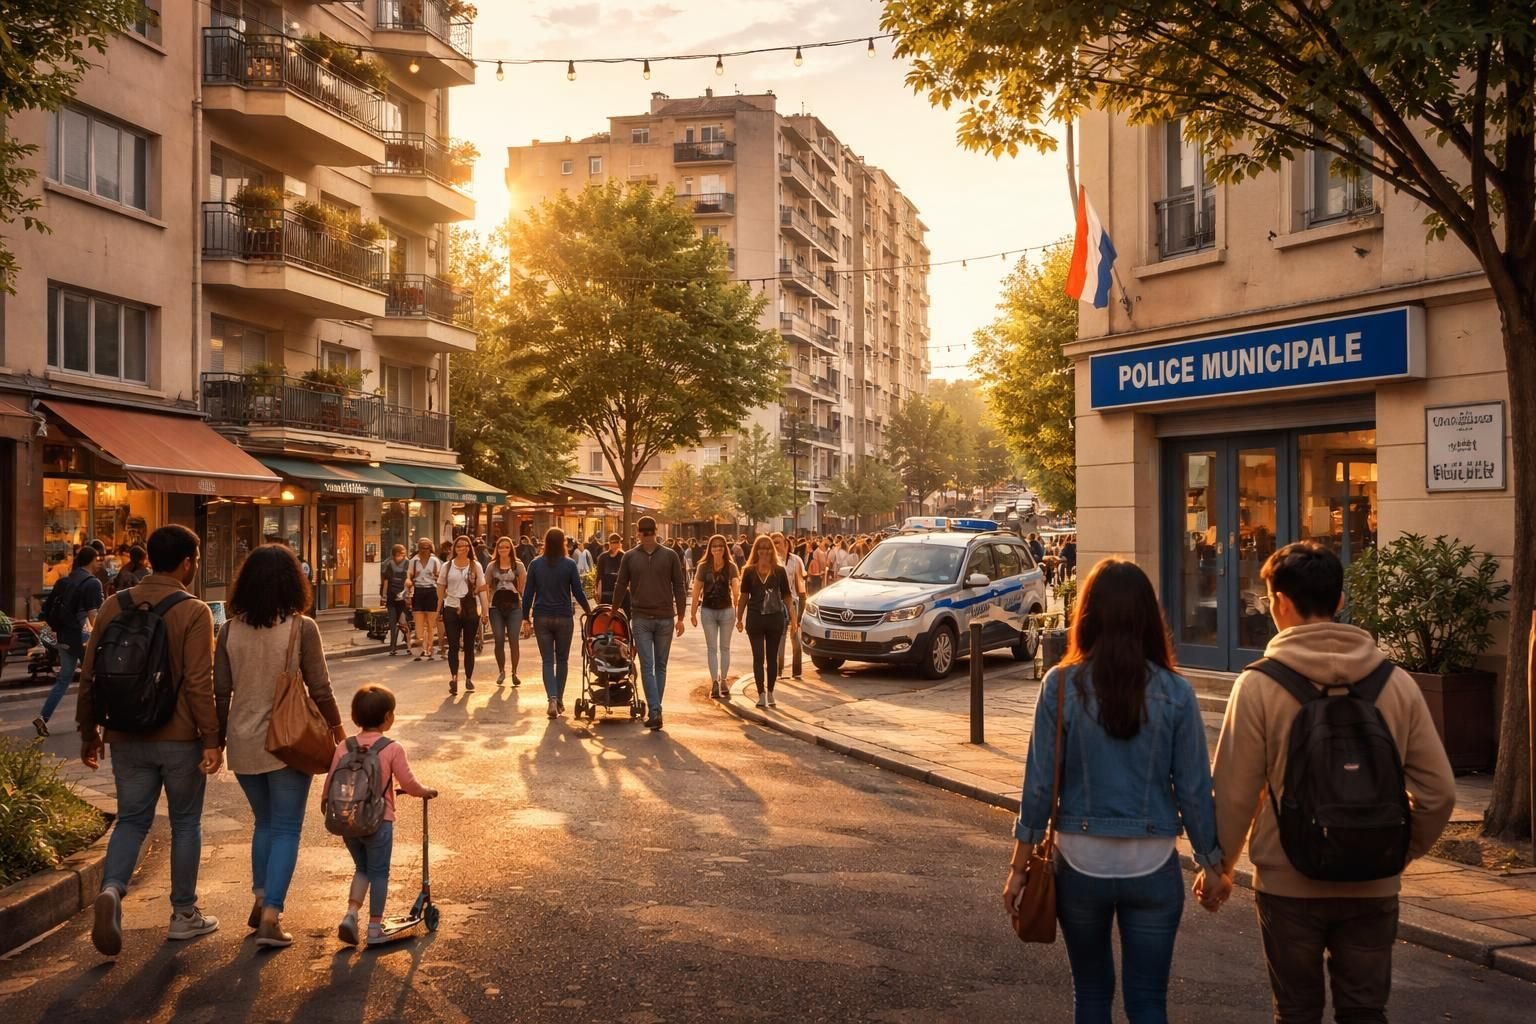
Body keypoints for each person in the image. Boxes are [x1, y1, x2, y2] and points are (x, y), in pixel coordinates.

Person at [1203, 542, 1455, 1024]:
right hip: (1374, 880)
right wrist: (1399, 848)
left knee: (1296, 1011)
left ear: (1279, 602)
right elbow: (1439, 792)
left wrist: (1221, 868)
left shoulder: (1258, 684)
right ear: (1340, 602)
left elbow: (1235, 791)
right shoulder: (1394, 682)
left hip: (1288, 880)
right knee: (1365, 1011)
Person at [1005, 558, 1221, 1023]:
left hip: (1080, 861)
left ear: (1088, 614)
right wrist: (1212, 862)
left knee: (1092, 994)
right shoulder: (1176, 692)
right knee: (1148, 1002)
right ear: (1148, 617)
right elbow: (1194, 789)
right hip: (1153, 860)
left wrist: (1020, 867)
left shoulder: (1060, 686)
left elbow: (1039, 785)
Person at [76, 525, 221, 956]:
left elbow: (90, 675)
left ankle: (113, 890)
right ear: (188, 562)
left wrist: (90, 732)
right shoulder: (193, 611)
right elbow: (200, 682)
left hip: (124, 733)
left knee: (132, 820)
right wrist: (211, 737)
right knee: (185, 823)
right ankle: (183, 914)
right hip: (179, 738)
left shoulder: (112, 604)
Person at [215, 544, 345, 949]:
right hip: (289, 740)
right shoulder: (301, 627)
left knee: (264, 824)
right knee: (287, 827)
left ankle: (259, 899)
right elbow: (320, 688)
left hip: (242, 740)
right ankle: (272, 914)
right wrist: (339, 732)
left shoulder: (228, 629)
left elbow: (221, 692)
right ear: (294, 581)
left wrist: (215, 741)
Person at [332, 684, 437, 947]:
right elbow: (409, 783)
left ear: (355, 717)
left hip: (348, 821)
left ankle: (351, 914)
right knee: (379, 872)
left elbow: (331, 782)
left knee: (362, 868)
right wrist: (425, 792)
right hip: (379, 821)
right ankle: (375, 927)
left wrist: (330, 808)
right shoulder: (391, 748)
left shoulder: (345, 746)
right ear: (388, 717)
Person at [613, 516, 688, 731]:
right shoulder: (635, 557)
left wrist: (681, 616)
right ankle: (656, 709)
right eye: (644, 533)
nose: (646, 536)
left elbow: (679, 587)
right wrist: (614, 609)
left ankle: (655, 709)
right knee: (652, 666)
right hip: (646, 617)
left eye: (647, 532)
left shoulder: (665, 556)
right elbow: (620, 585)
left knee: (655, 666)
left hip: (658, 617)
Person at [34, 547, 106, 737]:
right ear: (90, 560)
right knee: (93, 679)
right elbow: (93, 618)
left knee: (64, 680)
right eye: (98, 559)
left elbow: (48, 609)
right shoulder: (92, 583)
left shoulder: (64, 580)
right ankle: (89, 722)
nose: (100, 562)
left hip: (63, 637)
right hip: (83, 639)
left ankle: (43, 717)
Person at [521, 527, 591, 719]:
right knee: (562, 660)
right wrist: (589, 612)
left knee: (547, 661)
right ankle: (559, 699)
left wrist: (525, 617)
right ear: (563, 543)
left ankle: (551, 698)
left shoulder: (535, 565)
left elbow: (528, 593)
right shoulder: (569, 565)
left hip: (542, 616)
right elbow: (578, 591)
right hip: (564, 616)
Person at [736, 535, 796, 709]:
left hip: (775, 618)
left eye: (767, 547)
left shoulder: (779, 571)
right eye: (761, 548)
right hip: (755, 619)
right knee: (758, 657)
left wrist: (793, 619)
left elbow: (787, 596)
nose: (764, 551)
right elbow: (744, 597)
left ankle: (770, 692)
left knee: (772, 658)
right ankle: (760, 693)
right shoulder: (748, 571)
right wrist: (739, 618)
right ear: (756, 550)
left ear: (772, 550)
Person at [690, 533, 740, 700]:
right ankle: (714, 682)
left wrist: (737, 606)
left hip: (727, 610)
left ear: (724, 548)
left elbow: (736, 588)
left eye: (720, 546)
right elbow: (696, 589)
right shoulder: (703, 567)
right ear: (709, 549)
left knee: (724, 648)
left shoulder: (731, 566)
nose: (717, 548)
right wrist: (692, 612)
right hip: (708, 611)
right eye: (714, 546)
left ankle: (724, 680)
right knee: (712, 648)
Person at [437, 535, 486, 695]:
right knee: (453, 645)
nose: (462, 549)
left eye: (465, 546)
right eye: (459, 546)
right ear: (454, 549)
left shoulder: (475, 566)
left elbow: (483, 588)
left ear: (469, 548)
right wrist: (438, 610)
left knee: (469, 645)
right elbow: (441, 589)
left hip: (471, 609)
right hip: (451, 607)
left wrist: (485, 610)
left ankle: (469, 678)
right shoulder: (447, 566)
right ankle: (454, 678)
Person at [485, 536, 526, 686]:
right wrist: (484, 607)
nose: (503, 550)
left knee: (514, 639)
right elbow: (486, 586)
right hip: (496, 606)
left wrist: (527, 611)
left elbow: (523, 588)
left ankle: (514, 672)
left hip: (514, 606)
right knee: (499, 638)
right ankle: (501, 670)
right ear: (497, 549)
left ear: (511, 549)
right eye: (500, 547)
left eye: (506, 547)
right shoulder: (491, 566)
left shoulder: (518, 566)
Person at [771, 532, 806, 679]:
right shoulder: (771, 561)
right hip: (776, 603)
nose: (775, 545)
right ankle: (778, 671)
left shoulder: (795, 560)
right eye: (773, 543)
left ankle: (796, 671)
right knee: (780, 637)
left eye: (778, 542)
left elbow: (800, 583)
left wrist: (803, 601)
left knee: (795, 638)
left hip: (793, 601)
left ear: (786, 544)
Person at [406, 538, 441, 661]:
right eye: (421, 548)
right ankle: (419, 649)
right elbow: (409, 576)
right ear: (418, 548)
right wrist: (409, 582)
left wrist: (435, 577)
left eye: (426, 548)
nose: (424, 551)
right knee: (419, 623)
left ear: (430, 548)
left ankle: (430, 649)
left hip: (431, 591)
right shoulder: (413, 561)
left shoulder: (435, 561)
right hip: (418, 591)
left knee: (431, 625)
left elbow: (440, 577)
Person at [379, 544, 413, 656]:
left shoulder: (408, 564)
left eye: (402, 554)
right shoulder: (389, 564)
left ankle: (409, 645)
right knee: (392, 623)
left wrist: (407, 594)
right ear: (394, 555)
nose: (400, 557)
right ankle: (393, 647)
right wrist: (384, 596)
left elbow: (409, 580)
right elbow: (386, 581)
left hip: (403, 598)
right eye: (398, 555)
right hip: (392, 597)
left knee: (403, 623)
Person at [595, 532, 625, 606]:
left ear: (620, 543)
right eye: (613, 542)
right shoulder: (603, 557)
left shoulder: (624, 556)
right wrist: (596, 591)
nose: (615, 544)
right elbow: (599, 576)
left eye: (617, 542)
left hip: (620, 594)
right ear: (609, 543)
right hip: (605, 592)